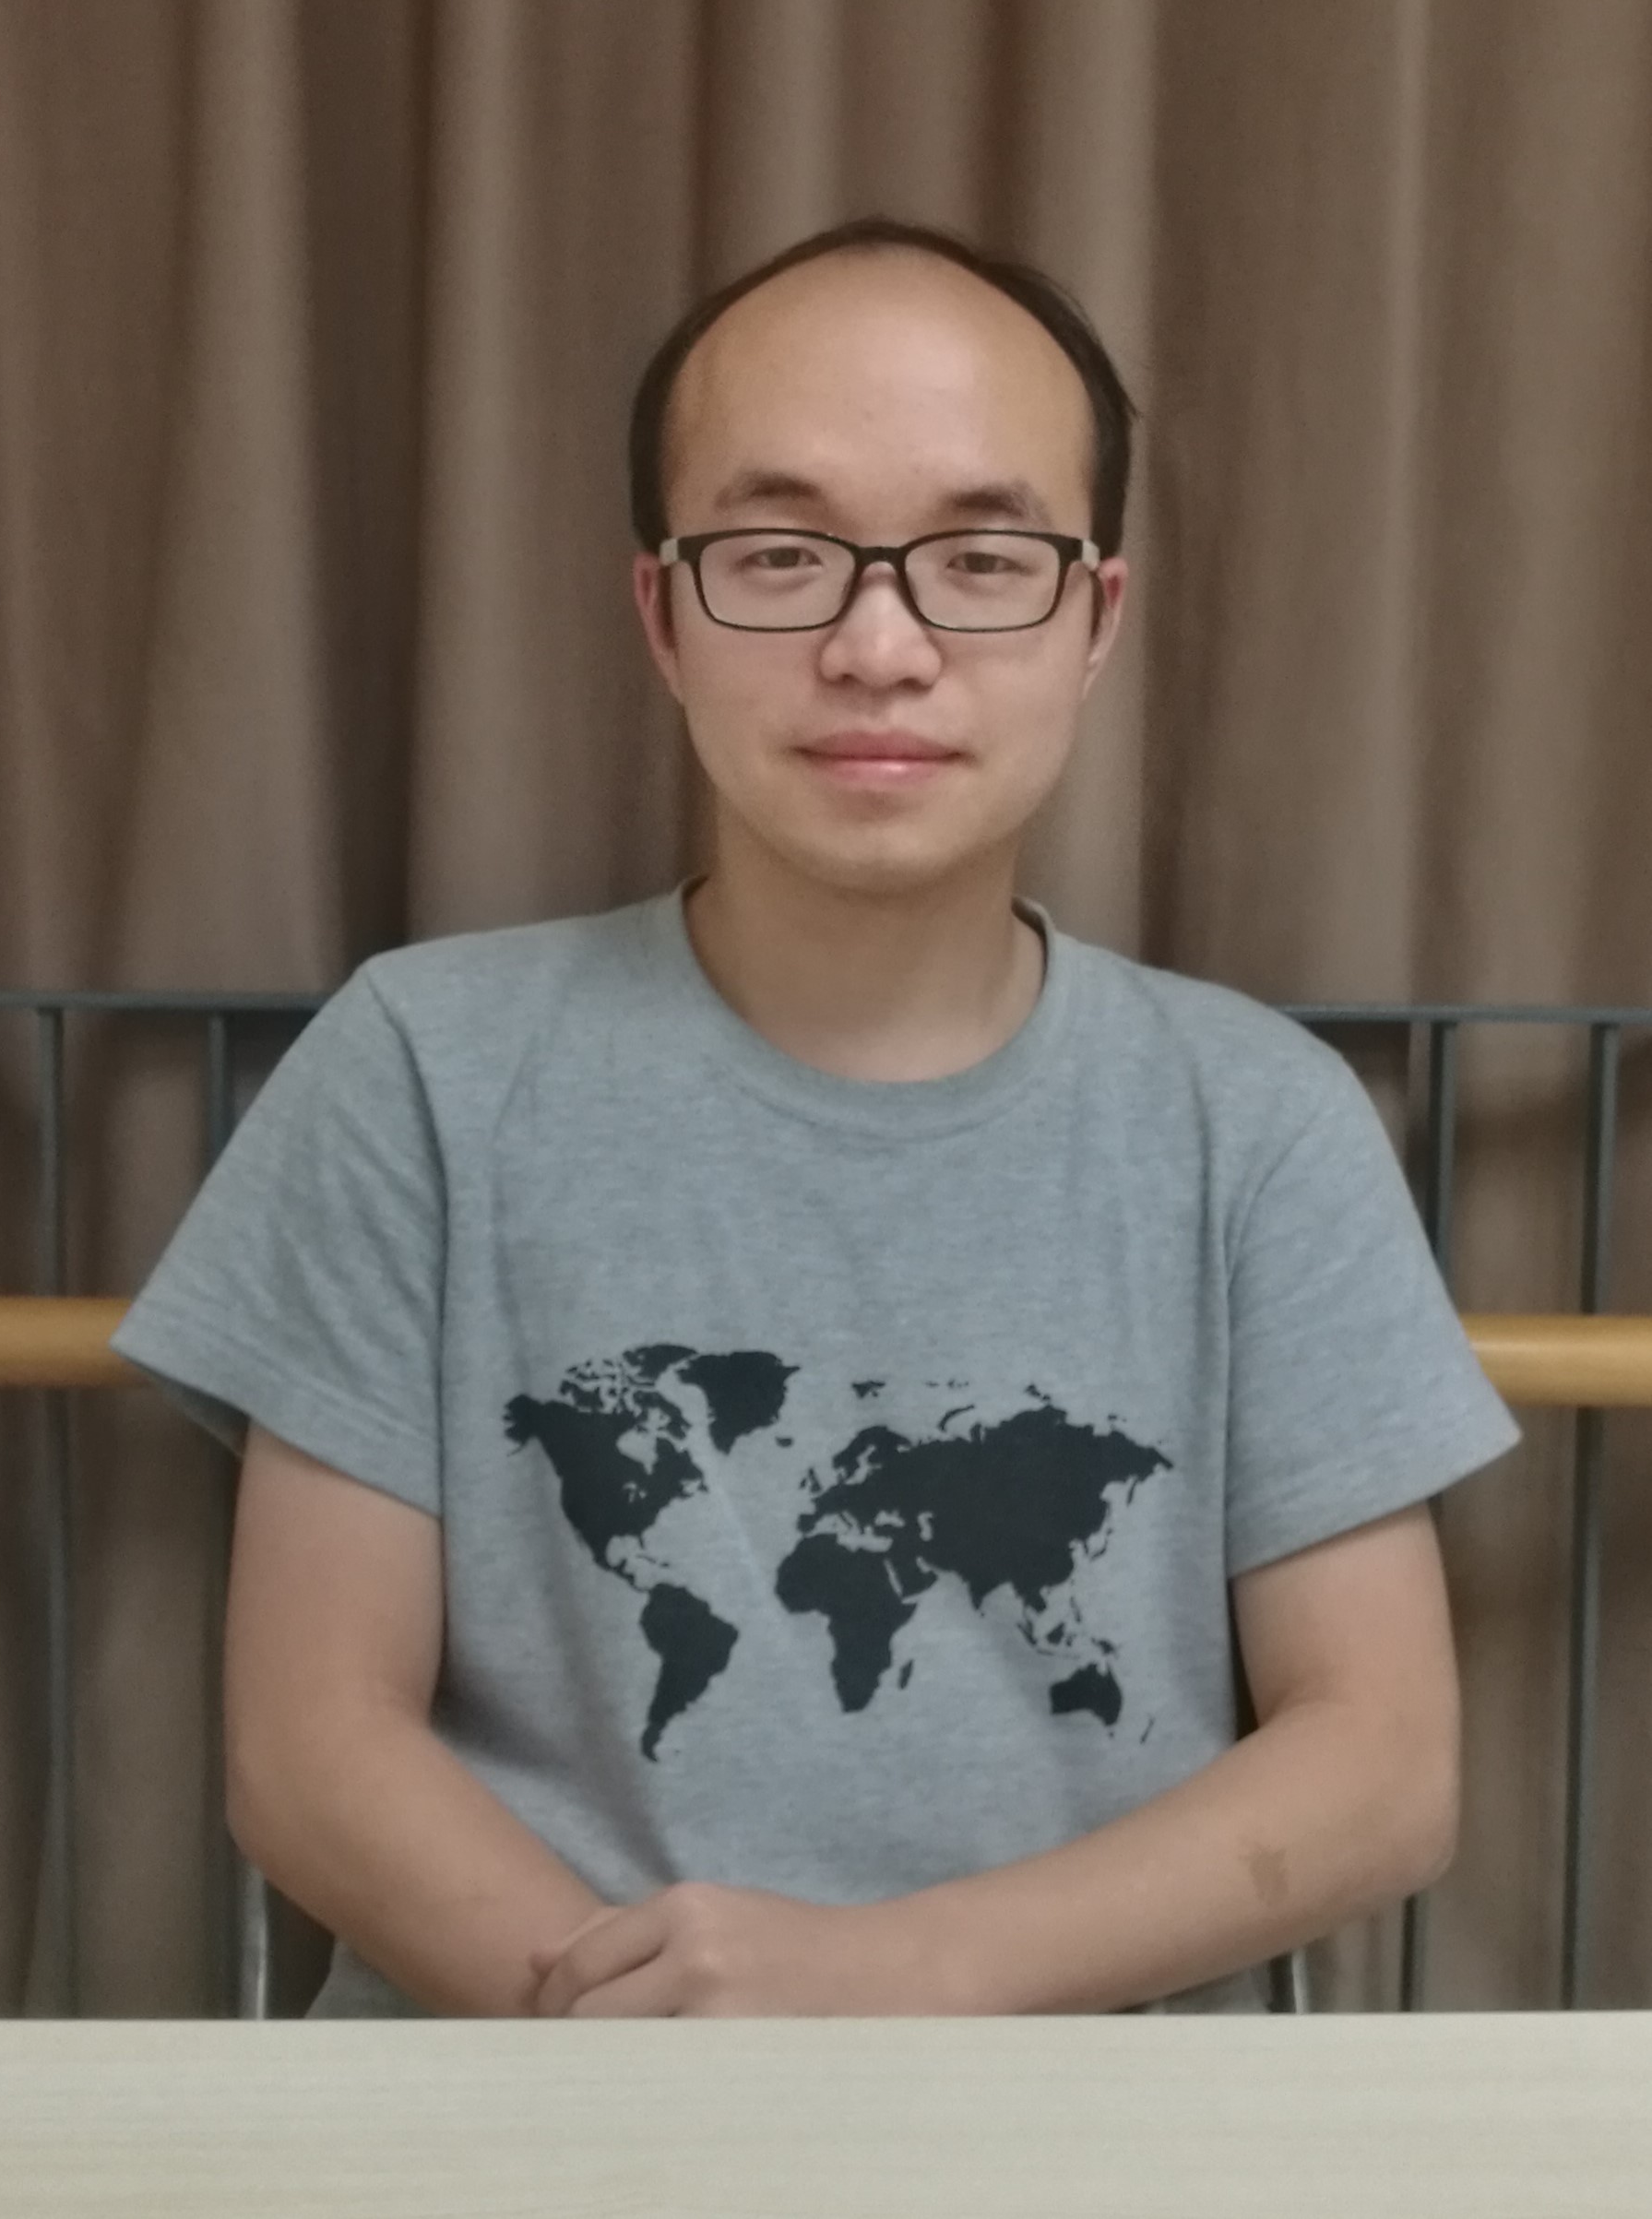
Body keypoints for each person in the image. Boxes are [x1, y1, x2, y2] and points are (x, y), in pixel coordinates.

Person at [112, 216, 1518, 2020]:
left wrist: (879, 1988)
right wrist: (674, 2058)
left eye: (980, 558)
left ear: (1094, 619)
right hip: (540, 2087)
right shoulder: (418, 1066)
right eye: (778, 555)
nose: (877, 643)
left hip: (1084, 2114)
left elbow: (1381, 1764)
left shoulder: (1260, 1125)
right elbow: (311, 1750)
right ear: (661, 615)